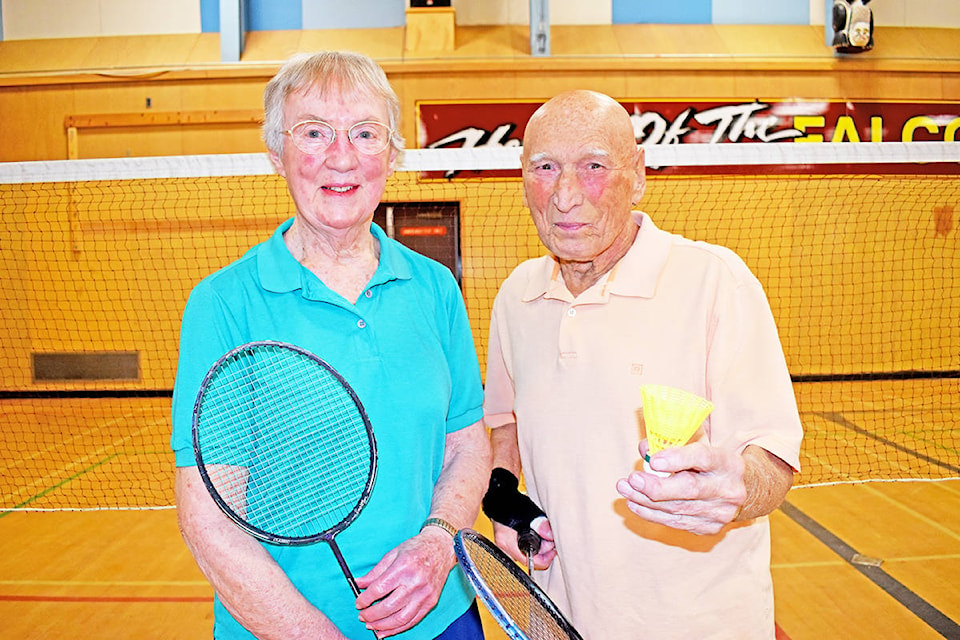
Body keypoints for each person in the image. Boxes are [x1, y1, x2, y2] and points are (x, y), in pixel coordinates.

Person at [170, 51, 490, 640]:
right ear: (277, 153)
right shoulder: (224, 305)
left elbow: (467, 445)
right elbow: (209, 520)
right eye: (313, 132)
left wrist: (440, 540)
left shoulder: (435, 288)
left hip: (443, 615)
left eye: (365, 133)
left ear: (391, 154)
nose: (341, 157)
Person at [482, 90, 803, 639]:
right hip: (560, 619)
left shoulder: (715, 281)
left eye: (593, 167)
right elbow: (506, 421)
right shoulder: (516, 297)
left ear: (638, 174)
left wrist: (735, 489)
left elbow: (771, 461)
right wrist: (503, 495)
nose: (564, 196)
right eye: (545, 168)